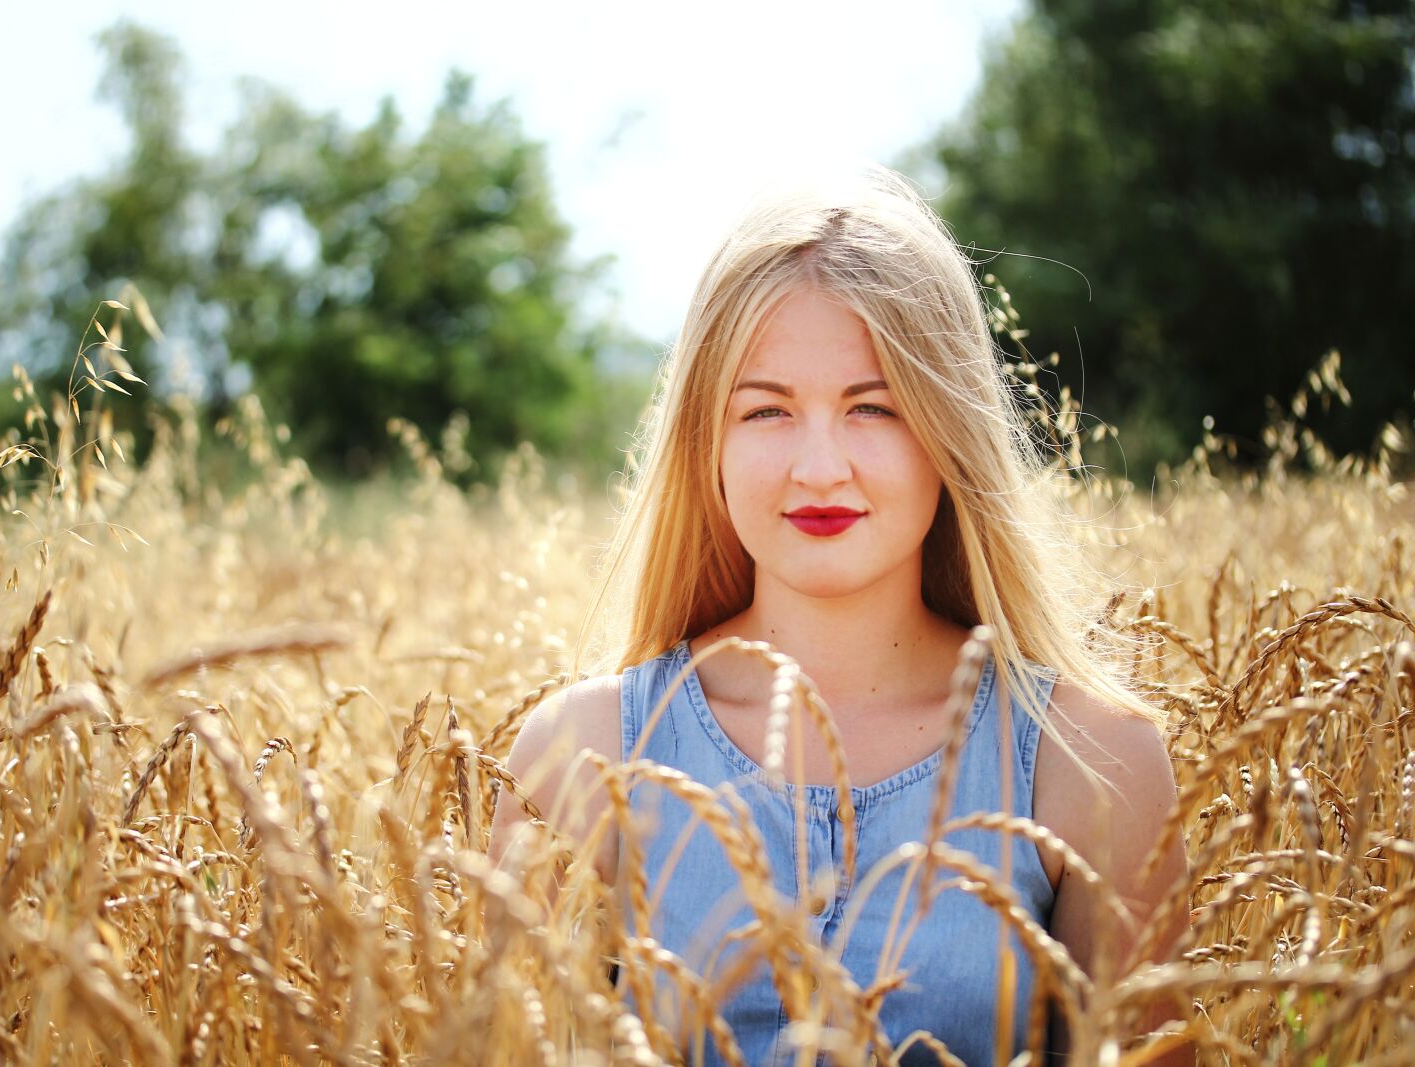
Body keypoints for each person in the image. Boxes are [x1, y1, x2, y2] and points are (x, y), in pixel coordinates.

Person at [487, 164, 1192, 1066]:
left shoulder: (1093, 764)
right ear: (708, 442)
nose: (820, 467)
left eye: (874, 407)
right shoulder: (582, 757)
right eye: (767, 410)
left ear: (950, 429)